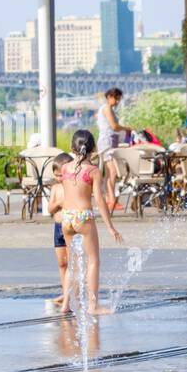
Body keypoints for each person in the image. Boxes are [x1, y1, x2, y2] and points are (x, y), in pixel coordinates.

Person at [58, 130, 123, 314]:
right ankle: (93, 306)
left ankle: (66, 305)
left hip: (67, 217)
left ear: (72, 148)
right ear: (93, 149)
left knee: (73, 263)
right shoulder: (93, 171)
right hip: (83, 217)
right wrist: (110, 227)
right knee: (93, 261)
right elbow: (100, 200)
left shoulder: (65, 168)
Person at [96, 87, 134, 211]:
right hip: (107, 141)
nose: (117, 101)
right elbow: (113, 126)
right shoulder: (106, 108)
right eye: (116, 98)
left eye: (118, 99)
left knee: (109, 172)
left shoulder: (109, 109)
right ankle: (111, 199)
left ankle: (110, 199)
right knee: (112, 172)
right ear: (109, 97)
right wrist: (127, 128)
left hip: (110, 141)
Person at [48, 152, 74, 310]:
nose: (59, 178)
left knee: (71, 262)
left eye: (62, 175)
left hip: (70, 226)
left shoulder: (73, 186)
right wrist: (59, 201)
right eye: (57, 175)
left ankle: (70, 294)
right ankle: (65, 291)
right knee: (62, 263)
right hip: (57, 228)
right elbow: (50, 208)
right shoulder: (55, 188)